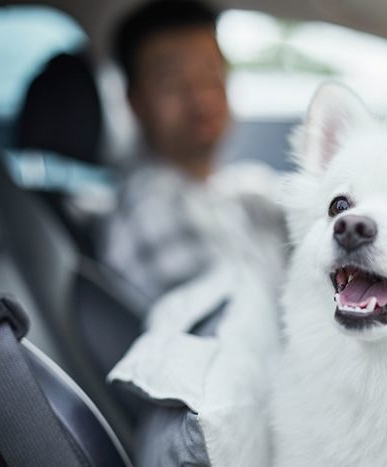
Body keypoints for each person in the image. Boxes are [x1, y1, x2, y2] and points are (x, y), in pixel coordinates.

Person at [99, 0, 284, 304]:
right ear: (136, 102)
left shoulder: (244, 186)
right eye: (173, 84)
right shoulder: (151, 207)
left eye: (211, 74)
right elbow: (229, 335)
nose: (201, 99)